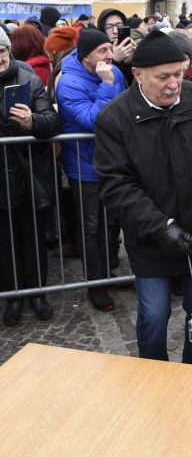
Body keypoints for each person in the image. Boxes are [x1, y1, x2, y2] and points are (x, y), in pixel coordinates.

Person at [94, 30, 192, 365]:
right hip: (152, 240)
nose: (174, 84)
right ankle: (154, 376)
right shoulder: (114, 118)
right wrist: (161, 227)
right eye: (163, 77)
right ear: (138, 75)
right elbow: (117, 186)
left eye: (179, 73)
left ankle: (191, 374)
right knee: (153, 317)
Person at [56, 29, 127, 312]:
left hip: (111, 161)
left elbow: (122, 111)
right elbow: (93, 121)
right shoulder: (69, 82)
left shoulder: (112, 72)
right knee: (90, 227)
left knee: (110, 222)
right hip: (83, 165)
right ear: (86, 56)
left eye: (109, 48)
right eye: (102, 51)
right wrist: (107, 85)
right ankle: (95, 284)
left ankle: (108, 274)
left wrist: (111, 81)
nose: (110, 55)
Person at [0, 29, 60, 325]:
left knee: (32, 237)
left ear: (8, 50)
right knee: (4, 241)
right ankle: (12, 297)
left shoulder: (28, 77)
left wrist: (32, 121)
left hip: (27, 174)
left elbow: (51, 121)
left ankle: (38, 293)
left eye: (1, 50)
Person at [97, 7, 137, 85]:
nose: (115, 31)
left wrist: (129, 63)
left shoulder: (132, 47)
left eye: (119, 26)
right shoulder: (96, 51)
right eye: (109, 27)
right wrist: (115, 61)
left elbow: (132, 86)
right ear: (102, 29)